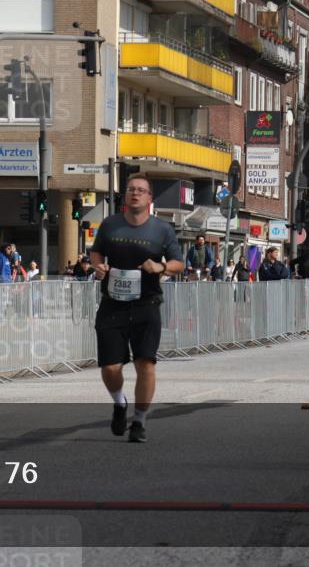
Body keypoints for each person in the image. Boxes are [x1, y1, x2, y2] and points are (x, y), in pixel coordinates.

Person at [90, 175, 183, 444]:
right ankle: (120, 404)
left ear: (149, 199)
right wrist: (99, 266)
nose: (135, 194)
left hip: (146, 304)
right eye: (131, 189)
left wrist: (161, 267)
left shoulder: (162, 229)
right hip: (113, 304)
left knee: (146, 364)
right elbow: (96, 253)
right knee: (110, 368)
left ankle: (140, 421)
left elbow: (179, 263)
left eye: (141, 191)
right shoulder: (110, 225)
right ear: (125, 196)